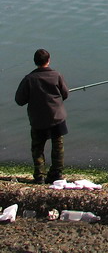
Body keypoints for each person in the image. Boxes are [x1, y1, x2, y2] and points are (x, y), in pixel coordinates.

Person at [14, 49, 70, 184]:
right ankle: (56, 175)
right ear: (48, 60)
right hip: (57, 117)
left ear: (35, 62)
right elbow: (65, 94)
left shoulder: (29, 79)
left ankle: (39, 176)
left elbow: (19, 100)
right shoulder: (57, 75)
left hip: (38, 120)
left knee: (38, 148)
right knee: (58, 147)